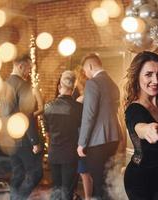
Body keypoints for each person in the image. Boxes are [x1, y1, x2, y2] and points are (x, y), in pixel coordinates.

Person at [123, 51, 158, 200]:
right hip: (140, 179)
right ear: (137, 77)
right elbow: (138, 125)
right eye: (148, 74)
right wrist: (147, 129)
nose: (155, 80)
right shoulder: (134, 109)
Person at [77, 53, 121, 199]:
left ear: (90, 66)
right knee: (109, 181)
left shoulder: (93, 83)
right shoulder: (113, 83)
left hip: (97, 141)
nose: (86, 74)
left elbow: (89, 115)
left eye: (85, 70)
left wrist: (82, 143)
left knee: (99, 183)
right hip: (114, 137)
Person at [0, 54, 43, 200]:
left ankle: (14, 198)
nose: (29, 72)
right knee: (36, 172)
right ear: (20, 66)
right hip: (23, 138)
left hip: (8, 139)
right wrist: (35, 141)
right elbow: (28, 115)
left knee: (18, 173)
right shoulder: (24, 86)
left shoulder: (4, 85)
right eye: (28, 68)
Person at [43, 70, 82, 200]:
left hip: (54, 153)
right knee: (67, 190)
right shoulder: (78, 108)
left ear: (59, 86)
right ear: (74, 87)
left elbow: (47, 132)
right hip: (70, 154)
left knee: (56, 189)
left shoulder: (47, 106)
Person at [73, 66, 93, 200]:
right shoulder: (92, 96)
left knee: (84, 172)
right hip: (92, 137)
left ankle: (88, 198)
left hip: (84, 137)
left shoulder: (81, 100)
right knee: (88, 172)